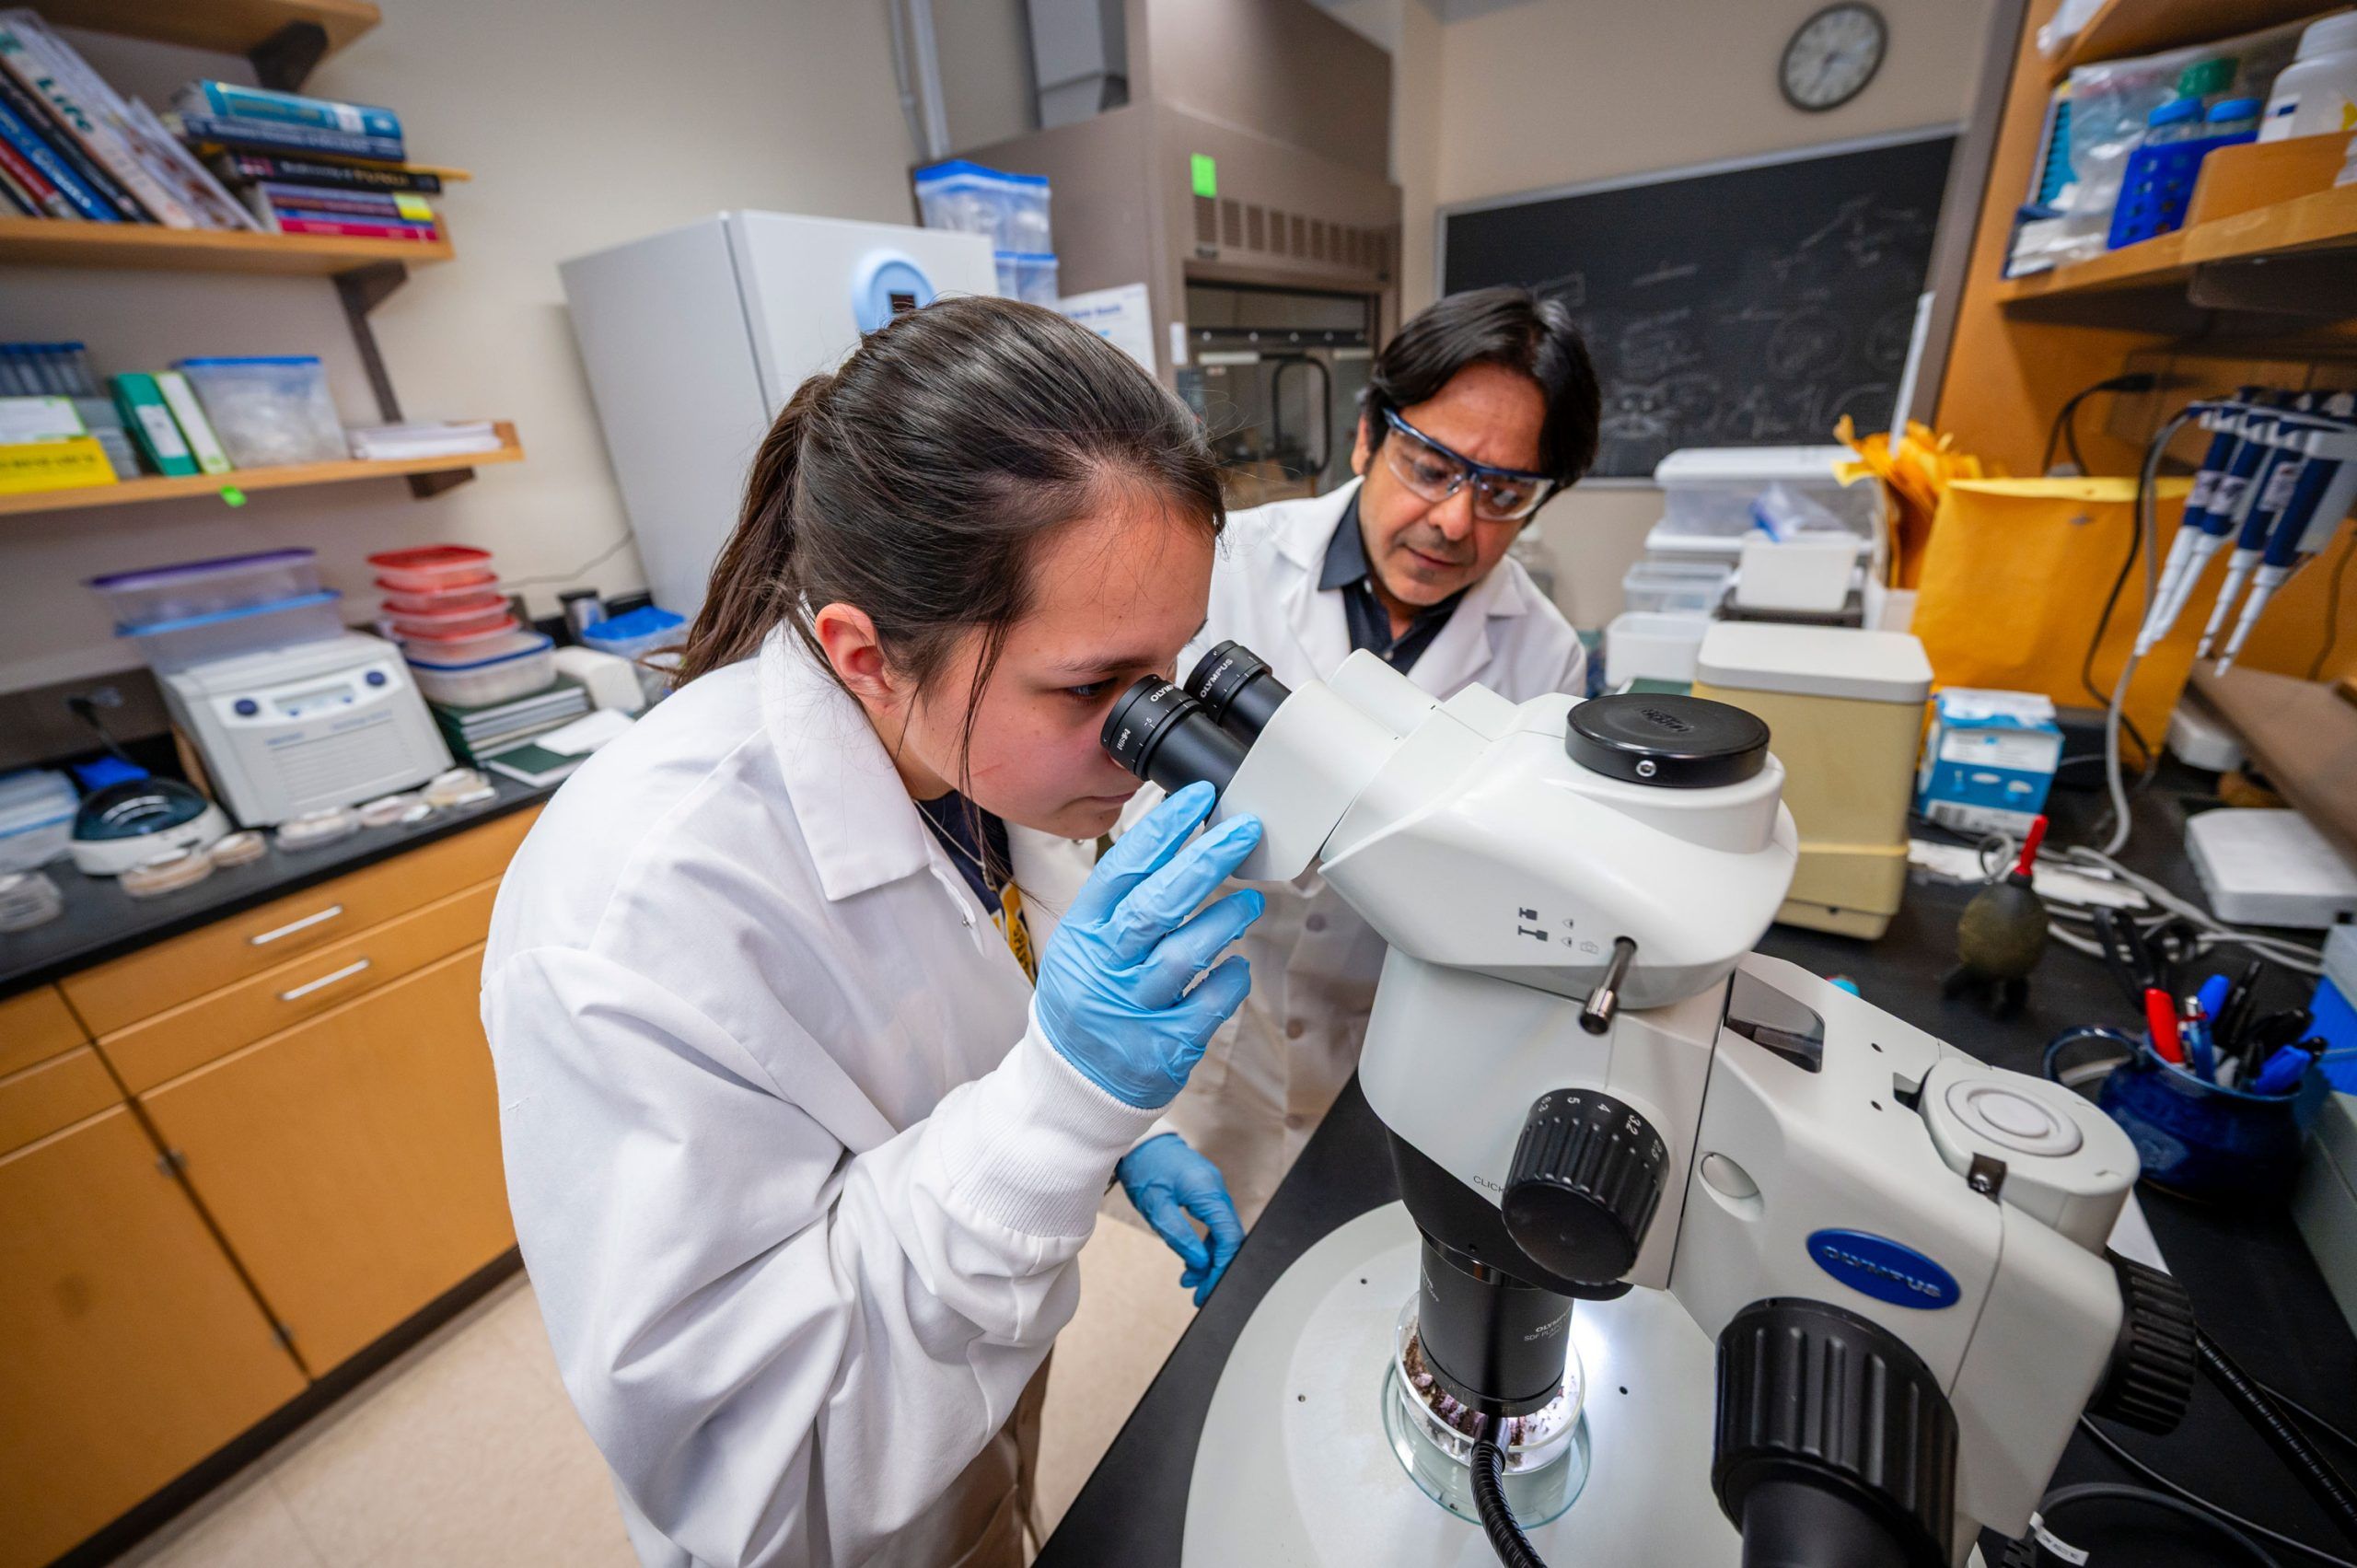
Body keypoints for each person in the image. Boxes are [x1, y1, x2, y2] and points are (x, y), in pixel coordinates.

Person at [482, 296, 1267, 1568]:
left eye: (1167, 670)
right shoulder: (635, 915)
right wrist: (1063, 1109)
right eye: (1093, 687)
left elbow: (983, 980)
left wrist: (1116, 1136)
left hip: (978, 1323)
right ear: (863, 652)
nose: (1148, 735)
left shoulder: (975, 754)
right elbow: (764, 1463)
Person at [1159, 285, 1603, 1223]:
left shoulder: (1546, 652)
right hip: (1219, 1015)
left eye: (1503, 492)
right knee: (1217, 1251)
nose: (1453, 520)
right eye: (1430, 464)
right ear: (1367, 435)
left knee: (1354, 1245)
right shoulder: (1228, 565)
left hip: (1395, 1032)